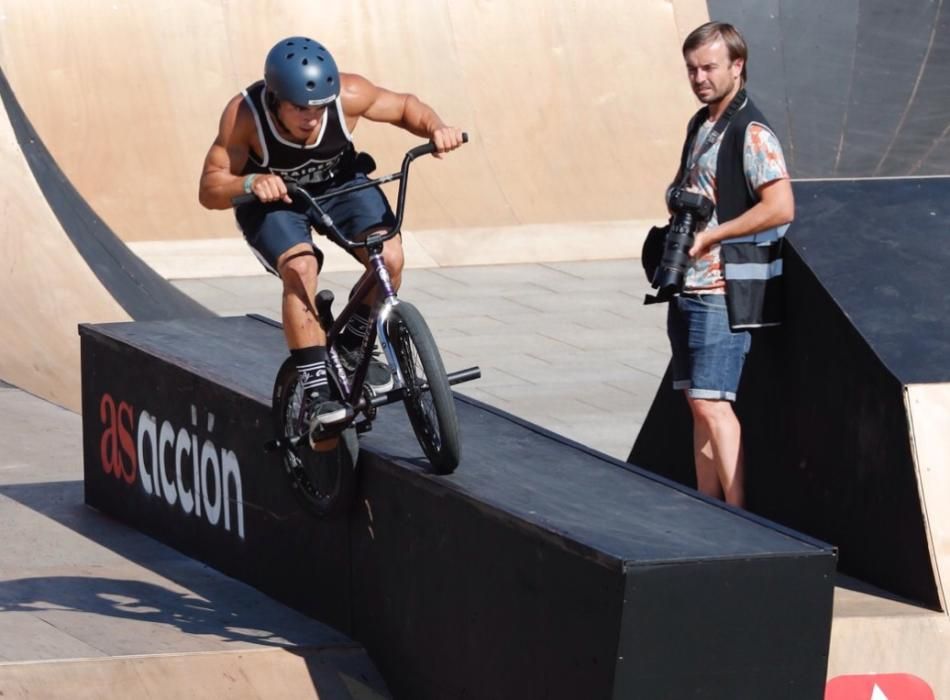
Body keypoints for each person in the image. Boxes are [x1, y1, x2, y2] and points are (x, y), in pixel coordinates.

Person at [199, 37, 464, 435]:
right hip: (275, 200)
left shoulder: (349, 93)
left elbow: (406, 106)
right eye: (300, 108)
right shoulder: (244, 117)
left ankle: (353, 341)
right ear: (275, 98)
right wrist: (251, 181)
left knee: (389, 257)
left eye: (320, 107)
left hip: (340, 184)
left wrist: (437, 127)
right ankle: (316, 389)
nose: (312, 117)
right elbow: (209, 189)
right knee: (301, 268)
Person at [664, 22, 794, 507]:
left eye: (709, 67)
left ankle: (738, 517)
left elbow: (781, 207)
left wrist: (714, 233)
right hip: (687, 285)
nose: (699, 78)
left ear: (737, 66)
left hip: (722, 288)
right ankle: (708, 510)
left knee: (713, 404)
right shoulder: (701, 124)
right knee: (698, 404)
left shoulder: (752, 132)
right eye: (692, 69)